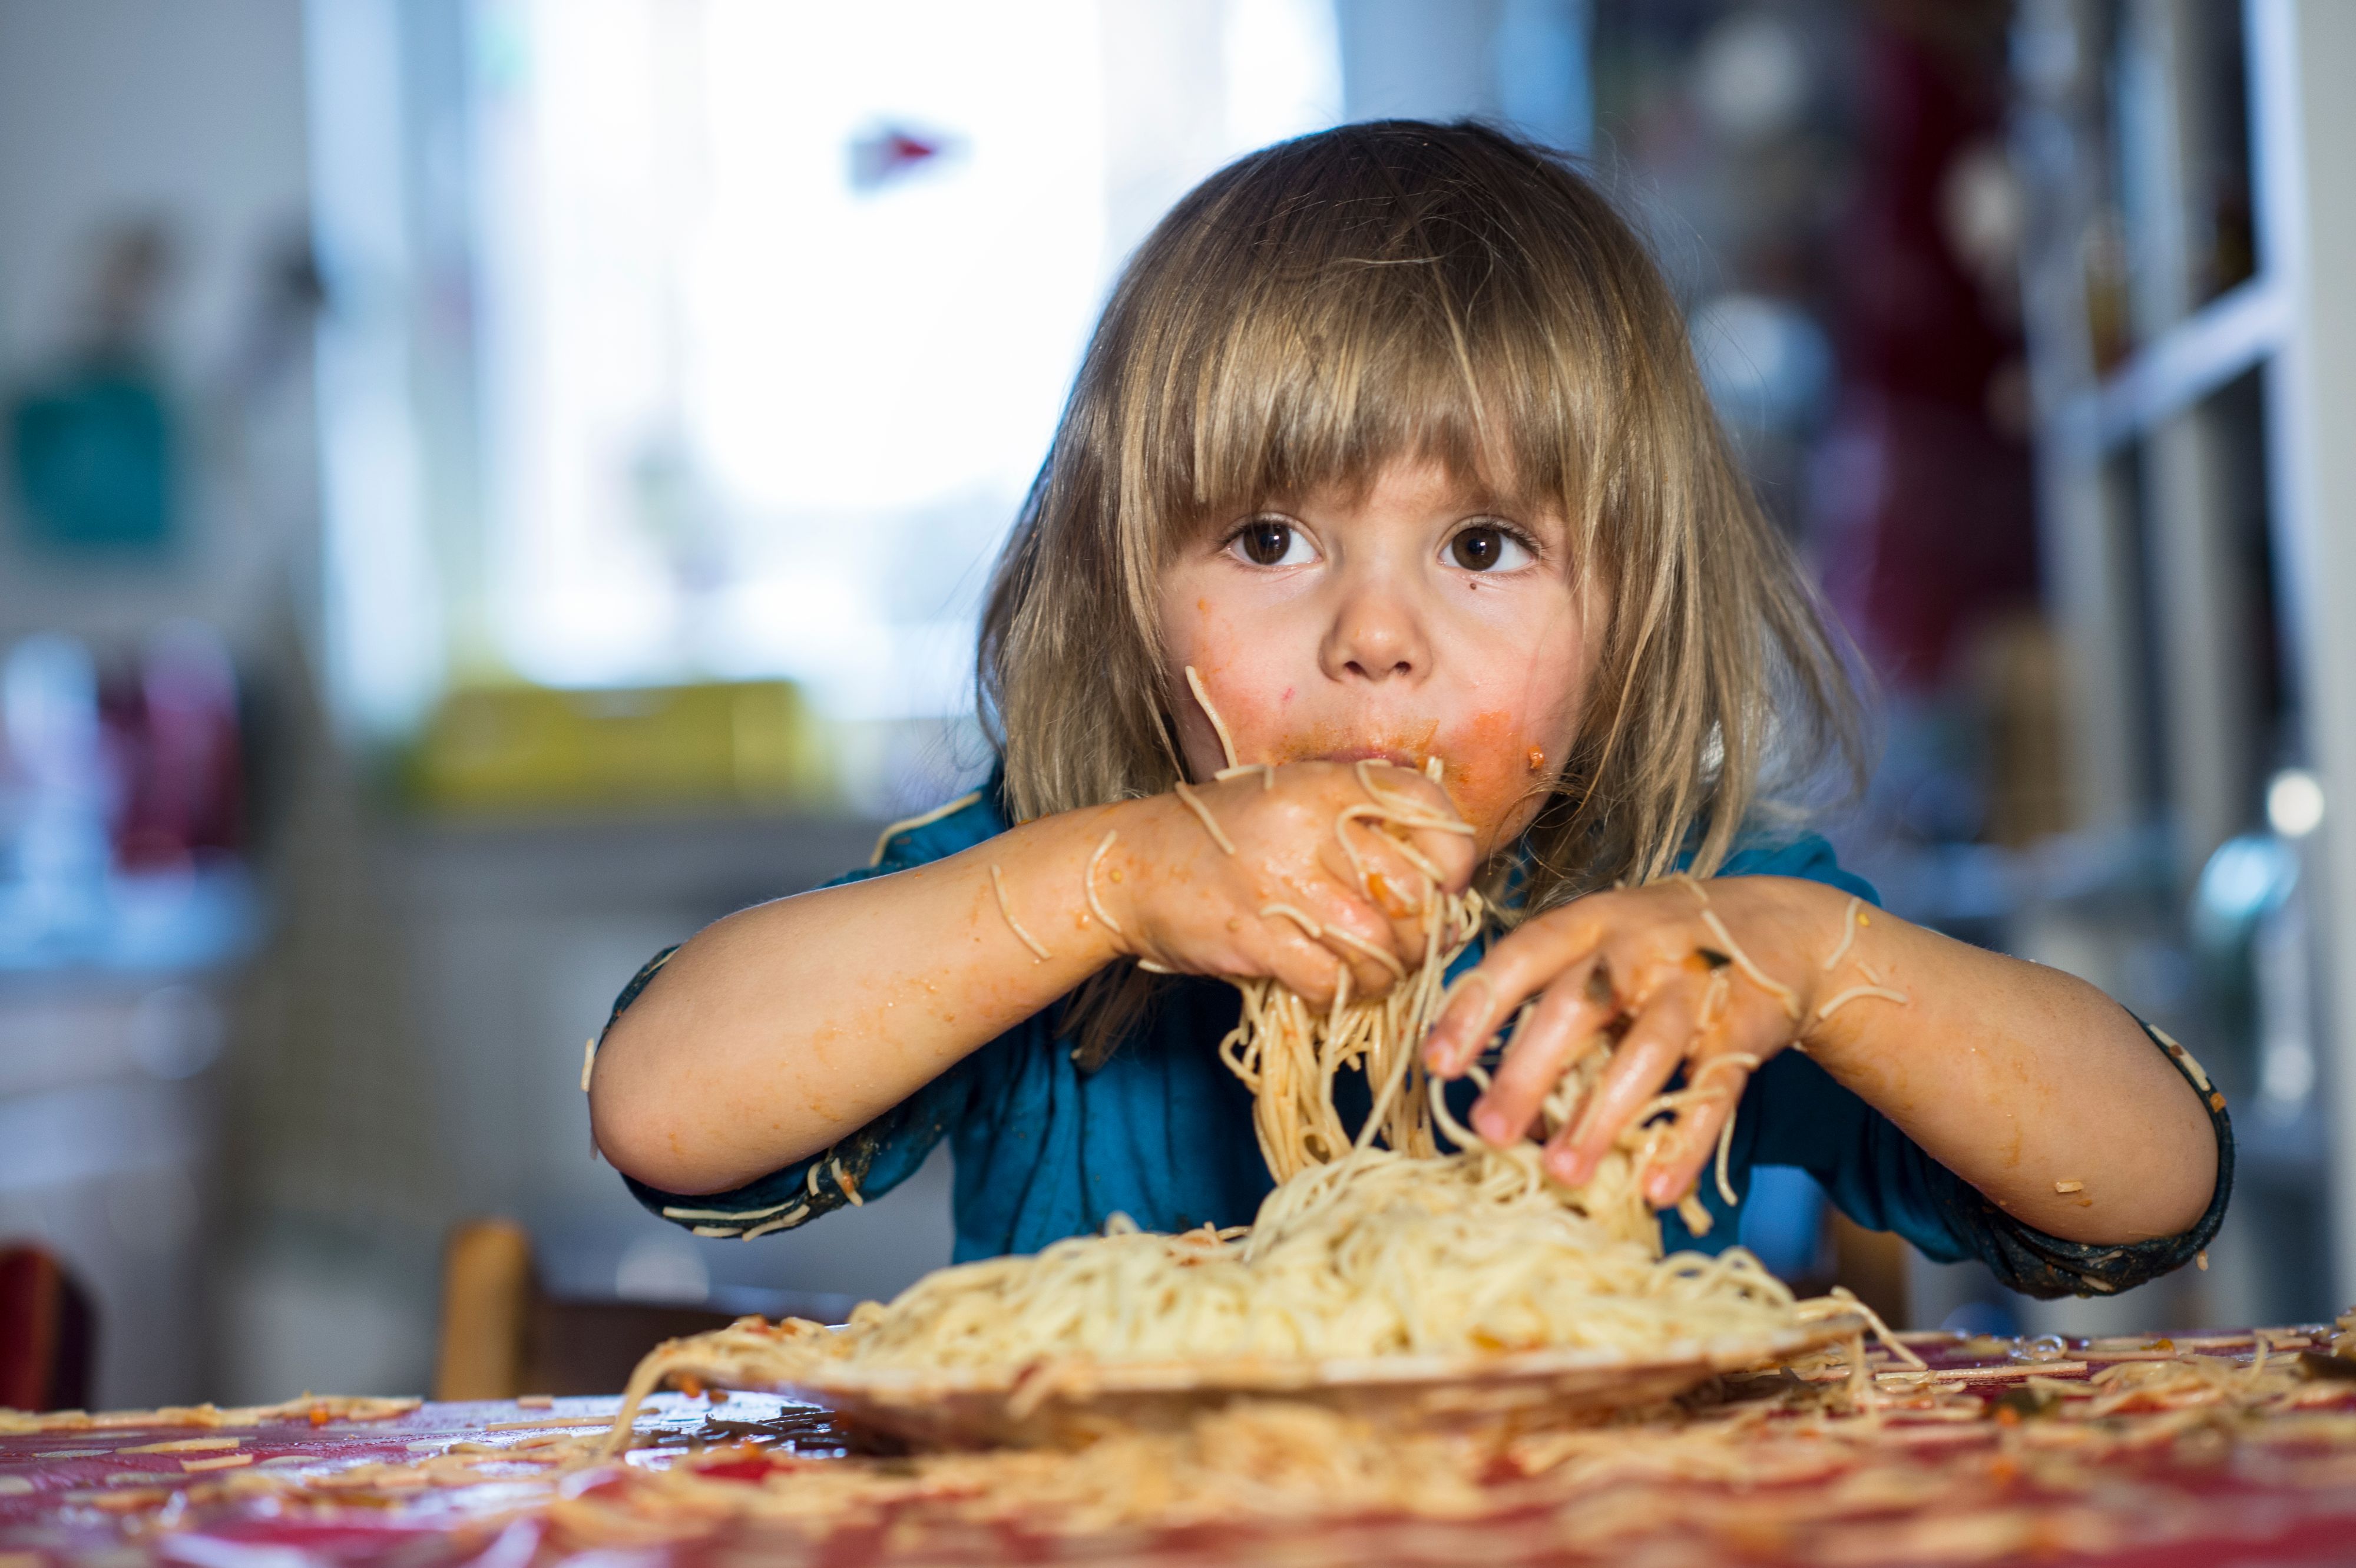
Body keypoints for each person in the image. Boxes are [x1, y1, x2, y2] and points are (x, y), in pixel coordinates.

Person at [586, 121, 2227, 1299]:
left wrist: (1822, 962)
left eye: (1487, 546)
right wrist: (1094, 883)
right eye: (1268, 539)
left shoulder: (1682, 950)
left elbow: (2153, 1183)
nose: (1375, 638)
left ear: (1632, 612)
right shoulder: (1056, 885)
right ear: (1128, 587)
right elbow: (664, 1106)